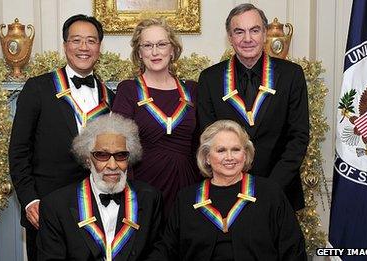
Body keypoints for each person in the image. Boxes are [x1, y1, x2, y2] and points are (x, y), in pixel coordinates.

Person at [8, 14, 115, 260]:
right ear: (65, 44)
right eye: (76, 40)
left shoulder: (110, 97)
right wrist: (29, 200)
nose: (83, 47)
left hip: (96, 209)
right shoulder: (38, 88)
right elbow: (18, 151)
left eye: (91, 41)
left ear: (99, 46)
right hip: (46, 208)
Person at [197, 3, 309, 210]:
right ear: (230, 37)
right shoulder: (209, 79)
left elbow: (298, 137)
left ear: (265, 33)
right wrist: (233, 183)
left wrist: (272, 187)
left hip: (280, 190)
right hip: (227, 190)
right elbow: (208, 140)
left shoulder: (291, 75)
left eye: (254, 30)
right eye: (239, 32)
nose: (247, 39)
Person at [148, 120, 307, 260]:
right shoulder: (187, 199)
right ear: (207, 157)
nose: (229, 157)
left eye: (236, 149)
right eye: (221, 150)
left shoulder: (270, 193)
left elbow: (293, 249)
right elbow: (167, 249)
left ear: (245, 155)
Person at [37, 114, 163, 260]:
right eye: (102, 155)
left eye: (121, 155)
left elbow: (157, 254)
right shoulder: (56, 206)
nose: (112, 165)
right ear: (87, 159)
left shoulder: (149, 198)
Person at [112, 18, 200, 215]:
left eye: (161, 44)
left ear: (172, 49)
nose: (155, 52)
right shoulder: (128, 90)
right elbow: (118, 144)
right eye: (147, 45)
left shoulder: (193, 90)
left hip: (187, 185)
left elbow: (200, 143)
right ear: (139, 53)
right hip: (144, 187)